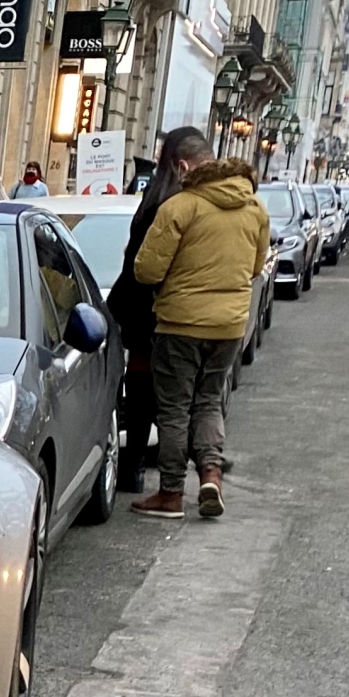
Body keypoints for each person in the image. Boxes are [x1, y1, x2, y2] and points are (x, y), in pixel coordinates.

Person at [128, 141, 268, 519]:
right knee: (208, 401)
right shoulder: (255, 209)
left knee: (174, 409)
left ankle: (171, 493)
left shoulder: (180, 207)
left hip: (180, 324)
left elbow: (147, 271)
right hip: (229, 325)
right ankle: (211, 474)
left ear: (186, 170)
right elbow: (256, 267)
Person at [106, 127, 210, 490]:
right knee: (182, 399)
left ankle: (135, 467)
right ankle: (191, 471)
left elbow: (139, 267)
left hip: (145, 314)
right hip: (181, 315)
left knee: (140, 393)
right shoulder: (187, 205)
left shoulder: (157, 201)